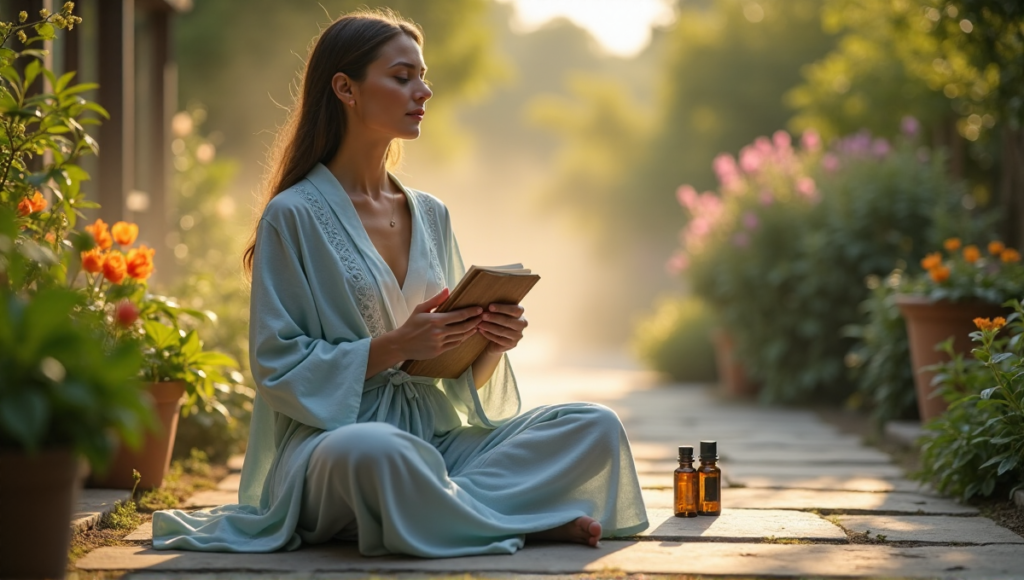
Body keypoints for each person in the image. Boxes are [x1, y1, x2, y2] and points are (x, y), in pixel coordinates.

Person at [152, 9, 648, 557]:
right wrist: (394, 347)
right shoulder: (290, 216)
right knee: (378, 453)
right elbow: (276, 366)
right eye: (402, 76)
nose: (423, 90)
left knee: (591, 425)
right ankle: (516, 517)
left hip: (435, 444)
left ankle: (446, 512)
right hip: (335, 447)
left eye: (423, 75)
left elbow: (457, 383)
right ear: (346, 88)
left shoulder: (431, 214)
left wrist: (488, 342)